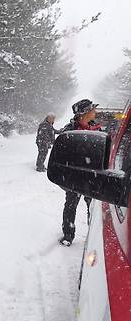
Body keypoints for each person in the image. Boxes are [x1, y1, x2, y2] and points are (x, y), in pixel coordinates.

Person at [59, 99, 100, 246]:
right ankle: (68, 235)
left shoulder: (98, 129)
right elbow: (60, 155)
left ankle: (93, 238)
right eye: (92, 110)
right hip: (74, 178)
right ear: (83, 114)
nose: (95, 112)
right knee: (70, 205)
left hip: (92, 177)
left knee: (94, 209)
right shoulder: (69, 131)